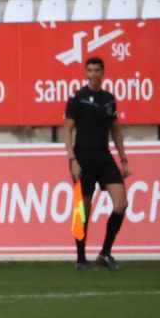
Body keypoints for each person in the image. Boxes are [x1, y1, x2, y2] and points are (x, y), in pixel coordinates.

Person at [64, 57, 131, 272]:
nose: (93, 74)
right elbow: (67, 129)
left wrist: (123, 159)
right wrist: (72, 159)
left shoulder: (109, 99)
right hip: (83, 157)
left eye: (97, 70)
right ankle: (81, 258)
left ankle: (105, 253)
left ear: (103, 72)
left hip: (104, 156)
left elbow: (116, 128)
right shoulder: (78, 98)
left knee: (121, 204)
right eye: (90, 70)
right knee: (83, 209)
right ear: (86, 73)